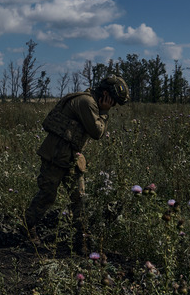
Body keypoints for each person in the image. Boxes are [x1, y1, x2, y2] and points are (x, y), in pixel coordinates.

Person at [24, 74, 129, 254]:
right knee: (47, 196)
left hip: (72, 159)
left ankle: (81, 240)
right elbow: (97, 132)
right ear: (106, 94)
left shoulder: (90, 102)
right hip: (55, 157)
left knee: (79, 200)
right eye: (113, 102)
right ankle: (28, 229)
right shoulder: (86, 103)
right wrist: (103, 113)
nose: (113, 106)